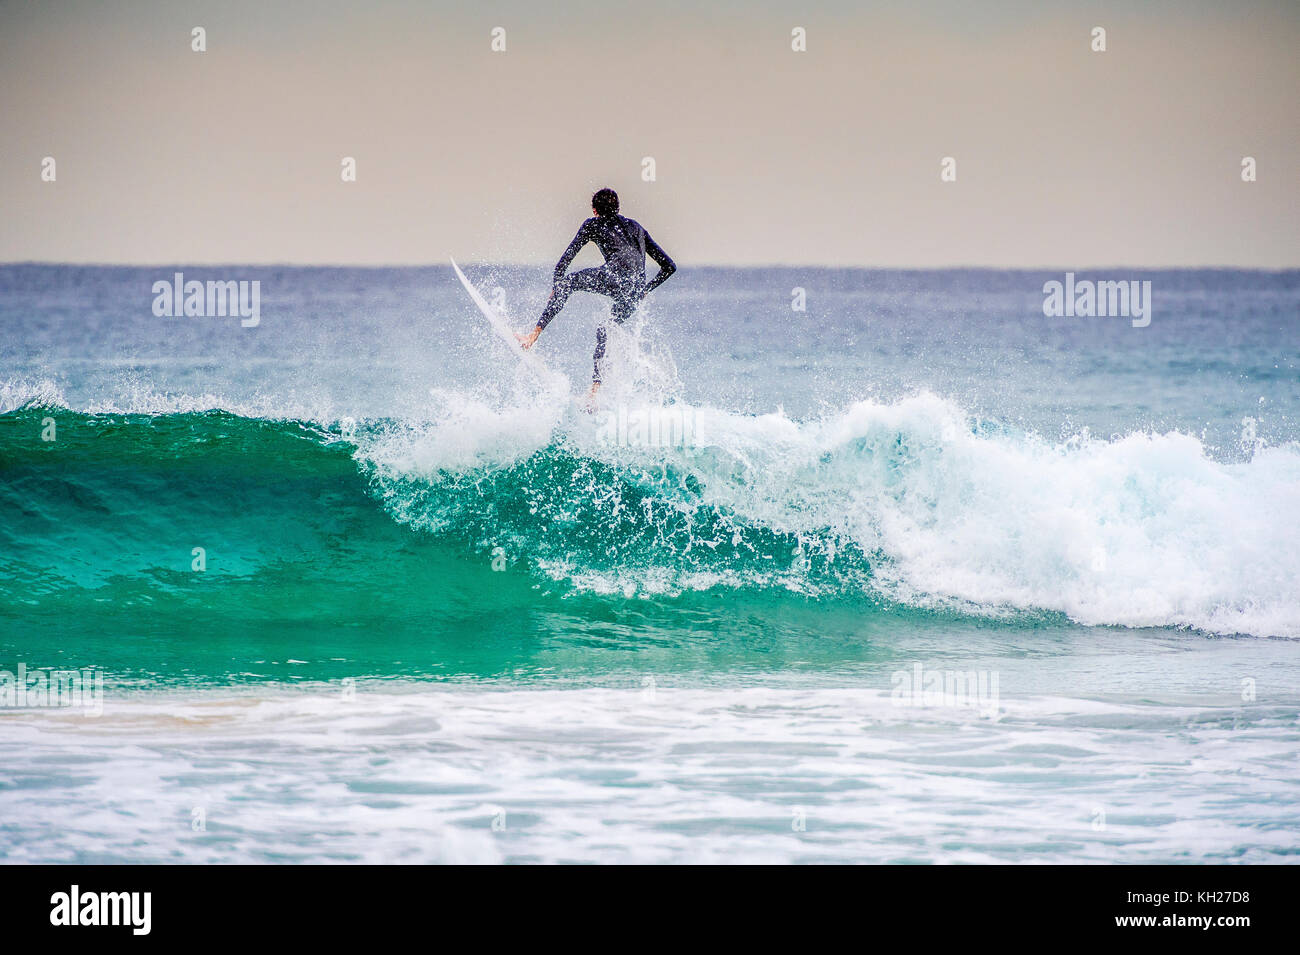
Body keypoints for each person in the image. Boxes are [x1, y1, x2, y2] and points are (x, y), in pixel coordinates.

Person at [516, 188, 675, 399]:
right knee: (605, 330)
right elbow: (669, 266)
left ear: (594, 211)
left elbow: (567, 257)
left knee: (569, 282)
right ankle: (594, 391)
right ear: (618, 207)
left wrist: (557, 284)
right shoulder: (636, 227)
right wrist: (645, 290)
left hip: (614, 278)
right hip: (635, 289)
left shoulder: (592, 225)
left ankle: (532, 336)